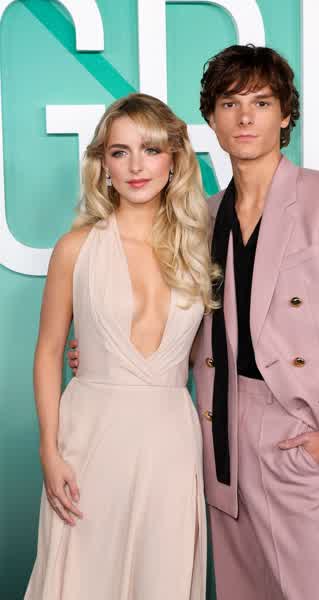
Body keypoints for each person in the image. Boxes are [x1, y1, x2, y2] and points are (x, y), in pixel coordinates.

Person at [69, 46, 319, 600]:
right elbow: (184, 324)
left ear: (286, 115)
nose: (245, 118)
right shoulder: (198, 216)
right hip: (215, 429)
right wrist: (109, 350)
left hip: (297, 431)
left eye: (261, 103)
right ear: (211, 119)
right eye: (229, 104)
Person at [25, 92, 219, 600]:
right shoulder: (76, 249)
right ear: (103, 164)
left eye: (151, 150)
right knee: (81, 579)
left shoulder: (199, 251)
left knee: (162, 579)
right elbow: (48, 351)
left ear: (173, 161)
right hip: (89, 439)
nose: (136, 166)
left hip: (170, 444)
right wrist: (49, 450)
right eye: (120, 151)